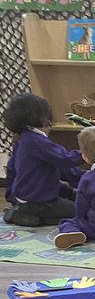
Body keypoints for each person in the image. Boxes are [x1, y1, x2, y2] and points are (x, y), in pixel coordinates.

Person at [2, 93, 81, 227]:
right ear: (36, 118)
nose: (50, 124)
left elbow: (12, 170)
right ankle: (26, 213)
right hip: (39, 200)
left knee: (69, 203)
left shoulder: (22, 140)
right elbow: (64, 159)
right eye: (47, 119)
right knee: (79, 211)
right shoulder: (36, 141)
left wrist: (11, 195)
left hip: (27, 197)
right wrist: (86, 155)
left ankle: (27, 214)